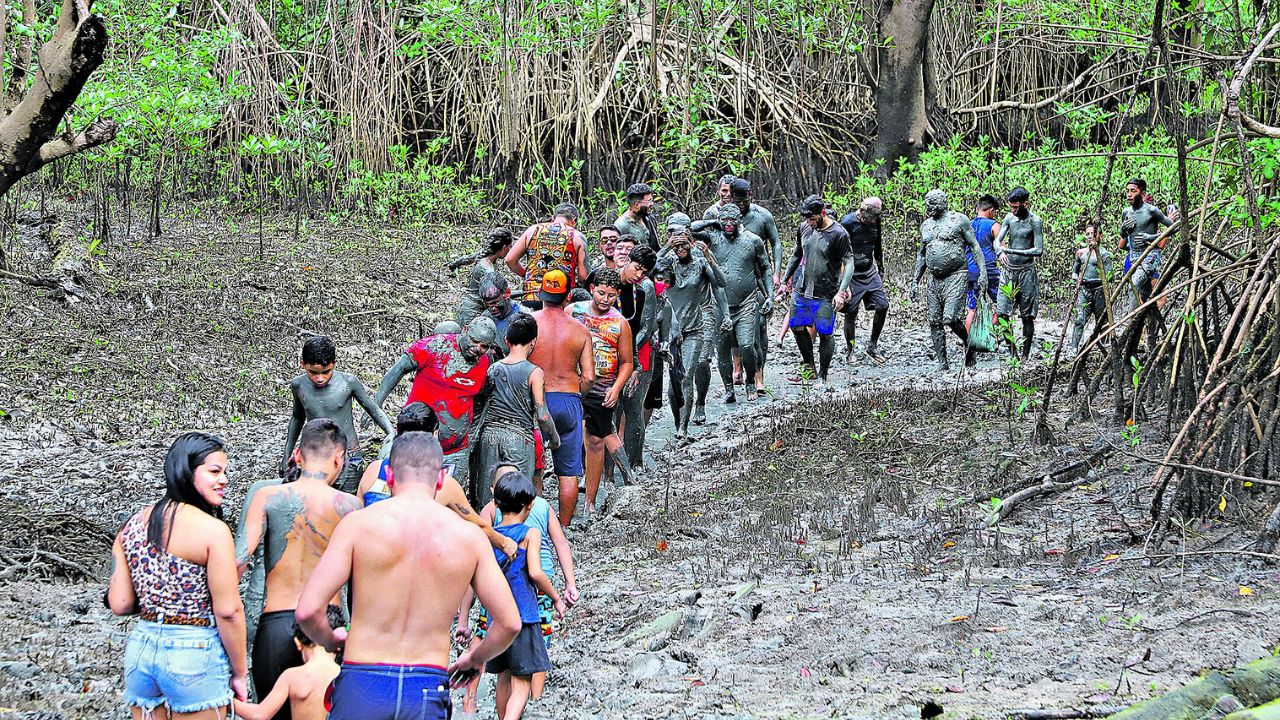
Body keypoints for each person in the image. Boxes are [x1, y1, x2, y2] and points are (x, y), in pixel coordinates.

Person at [295, 432, 521, 720]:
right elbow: (509, 623)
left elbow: (307, 610)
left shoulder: (357, 526)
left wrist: (329, 640)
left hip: (363, 680)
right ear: (440, 479)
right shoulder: (470, 538)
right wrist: (475, 658)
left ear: (389, 476)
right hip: (426, 686)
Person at [109, 432, 248, 716]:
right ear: (186, 471)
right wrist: (240, 672)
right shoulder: (213, 531)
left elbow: (119, 603)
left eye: (225, 471)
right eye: (214, 471)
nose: (224, 479)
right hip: (194, 651)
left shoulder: (131, 526)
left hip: (141, 649)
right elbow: (229, 611)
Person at [239, 419, 359, 718]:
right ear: (338, 458)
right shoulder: (351, 506)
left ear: (297, 456)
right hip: (326, 629)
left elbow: (239, 560)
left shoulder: (267, 497)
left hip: (276, 626)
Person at [462, 472, 566, 720]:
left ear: (496, 504)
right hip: (524, 617)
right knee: (522, 684)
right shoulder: (530, 534)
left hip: (497, 619)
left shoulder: (490, 537)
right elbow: (537, 572)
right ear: (529, 505)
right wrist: (555, 597)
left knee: (503, 677)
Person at [357, 402, 517, 558]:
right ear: (434, 435)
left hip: (370, 561)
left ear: (398, 431)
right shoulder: (444, 485)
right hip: (417, 568)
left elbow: (355, 515)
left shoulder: (374, 470)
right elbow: (478, 526)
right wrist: (504, 543)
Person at [374, 316, 497, 500]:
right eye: (474, 341)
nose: (478, 348)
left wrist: (474, 433)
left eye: (484, 346)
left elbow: (482, 398)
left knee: (449, 501)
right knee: (407, 497)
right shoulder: (435, 346)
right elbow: (399, 368)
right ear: (465, 330)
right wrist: (377, 404)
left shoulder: (485, 361)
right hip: (416, 442)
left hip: (456, 448)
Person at [280, 335, 393, 492]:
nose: (320, 378)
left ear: (334, 363)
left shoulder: (348, 382)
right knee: (316, 500)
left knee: (348, 501)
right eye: (313, 372)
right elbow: (297, 417)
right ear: (303, 364)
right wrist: (287, 454)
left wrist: (390, 431)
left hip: (349, 454)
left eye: (326, 372)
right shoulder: (299, 385)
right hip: (315, 455)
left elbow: (373, 408)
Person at [528, 269, 596, 526]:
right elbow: (589, 377)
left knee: (534, 467)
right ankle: (564, 527)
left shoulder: (529, 324)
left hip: (536, 400)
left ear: (540, 293)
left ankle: (537, 525)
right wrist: (578, 396)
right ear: (568, 296)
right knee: (568, 471)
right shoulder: (580, 330)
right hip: (568, 399)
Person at [474, 314, 561, 505]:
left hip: (489, 436)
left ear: (506, 340)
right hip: (519, 439)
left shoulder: (492, 369)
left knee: (487, 497)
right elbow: (542, 415)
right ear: (533, 341)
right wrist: (554, 439)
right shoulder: (534, 372)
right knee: (517, 498)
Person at [568, 268, 634, 519]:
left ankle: (590, 501)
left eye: (611, 295)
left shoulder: (620, 323)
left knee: (597, 440)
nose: (605, 299)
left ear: (618, 295)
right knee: (574, 437)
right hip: (573, 385)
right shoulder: (574, 311)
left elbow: (627, 361)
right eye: (602, 293)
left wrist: (616, 388)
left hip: (602, 389)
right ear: (592, 288)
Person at [692, 202, 773, 402]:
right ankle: (729, 388)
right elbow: (690, 229)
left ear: (739, 221)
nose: (728, 224)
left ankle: (750, 383)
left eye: (732, 220)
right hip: (720, 304)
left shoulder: (752, 240)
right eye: (725, 220)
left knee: (747, 345)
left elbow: (765, 268)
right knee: (723, 348)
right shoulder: (713, 238)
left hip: (747, 301)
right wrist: (713, 221)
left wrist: (770, 295)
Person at [657, 227, 729, 436]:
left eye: (684, 244)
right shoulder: (668, 264)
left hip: (695, 328)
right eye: (676, 245)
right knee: (674, 377)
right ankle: (678, 418)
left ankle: (684, 428)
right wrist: (666, 247)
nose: (680, 248)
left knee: (687, 375)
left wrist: (708, 256)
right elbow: (650, 269)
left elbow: (721, 282)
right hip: (671, 329)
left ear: (691, 243)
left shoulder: (700, 264)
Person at [595, 243, 658, 471]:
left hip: (634, 355)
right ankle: (607, 471)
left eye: (644, 272)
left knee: (633, 409)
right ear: (627, 261)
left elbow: (646, 326)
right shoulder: (606, 283)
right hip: (603, 357)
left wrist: (627, 350)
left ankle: (632, 465)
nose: (639, 275)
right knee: (610, 412)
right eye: (637, 268)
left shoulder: (643, 289)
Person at [911, 189, 988, 371]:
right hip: (934, 279)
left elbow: (974, 246)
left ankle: (969, 346)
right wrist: (915, 280)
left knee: (950, 318)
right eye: (927, 203)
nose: (929, 207)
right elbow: (922, 254)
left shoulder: (959, 220)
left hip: (956, 274)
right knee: (934, 320)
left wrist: (982, 273)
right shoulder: (926, 225)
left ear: (943, 203)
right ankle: (942, 362)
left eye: (933, 203)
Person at [783, 195, 854, 386]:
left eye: (812, 219)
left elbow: (848, 263)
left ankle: (823, 375)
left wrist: (842, 290)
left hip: (826, 291)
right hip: (802, 288)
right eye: (806, 219)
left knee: (825, 332)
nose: (809, 222)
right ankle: (809, 365)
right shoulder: (805, 228)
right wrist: (784, 281)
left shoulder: (839, 233)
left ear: (822, 213)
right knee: (796, 326)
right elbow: (797, 254)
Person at [232, 608, 344, 720]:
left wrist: (229, 702)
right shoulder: (343, 676)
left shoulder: (292, 676)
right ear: (339, 643)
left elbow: (259, 715)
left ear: (298, 643)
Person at [836, 197, 890, 366]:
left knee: (882, 305)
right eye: (871, 217)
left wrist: (880, 268)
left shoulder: (876, 221)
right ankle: (850, 351)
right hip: (851, 272)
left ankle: (872, 346)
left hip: (868, 268)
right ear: (863, 211)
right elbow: (838, 253)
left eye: (876, 217)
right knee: (851, 311)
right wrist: (843, 282)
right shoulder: (847, 222)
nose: (873, 220)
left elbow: (878, 244)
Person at [505, 204, 589, 309]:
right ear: (574, 221)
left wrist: (526, 274)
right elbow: (583, 276)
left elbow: (510, 259)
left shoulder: (532, 230)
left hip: (532, 296)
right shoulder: (577, 236)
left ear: (553, 218)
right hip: (561, 299)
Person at [994, 187, 1045, 359]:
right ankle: (1012, 351)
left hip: (1026, 272)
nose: (1013, 210)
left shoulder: (1035, 221)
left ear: (1026, 204)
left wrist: (1014, 251)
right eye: (1011, 207)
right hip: (1008, 272)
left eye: (1017, 207)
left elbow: (1038, 249)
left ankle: (1025, 355)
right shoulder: (1009, 218)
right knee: (1002, 313)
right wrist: (1000, 252)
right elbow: (997, 241)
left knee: (1027, 316)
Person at [1119, 177, 1174, 302]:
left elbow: (1174, 227)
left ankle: (1132, 320)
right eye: (1127, 191)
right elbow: (1123, 238)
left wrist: (1151, 237)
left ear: (1142, 193)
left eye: (1133, 191)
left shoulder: (1152, 211)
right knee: (1145, 293)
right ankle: (1154, 320)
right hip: (1134, 256)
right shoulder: (1126, 212)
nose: (1129, 194)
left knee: (1134, 285)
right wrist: (1123, 229)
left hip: (1149, 255)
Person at [456, 272, 532, 358]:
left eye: (495, 302)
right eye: (487, 304)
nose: (492, 308)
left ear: (507, 293)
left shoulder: (525, 318)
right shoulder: (486, 318)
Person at [451, 227, 515, 324]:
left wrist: (454, 264)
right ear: (503, 248)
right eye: (510, 247)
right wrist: (524, 292)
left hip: (468, 306)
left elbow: (467, 258)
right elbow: (502, 295)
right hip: (472, 311)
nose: (510, 250)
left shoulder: (485, 257)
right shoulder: (488, 270)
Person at [1071, 221, 1113, 351]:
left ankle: (1104, 345)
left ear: (1100, 236)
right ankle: (1074, 346)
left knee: (1102, 320)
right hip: (1084, 289)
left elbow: (1109, 275)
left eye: (1093, 234)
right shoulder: (1081, 253)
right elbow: (1075, 271)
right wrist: (1076, 281)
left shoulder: (1104, 254)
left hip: (1099, 290)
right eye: (1087, 234)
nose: (1090, 236)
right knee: (1080, 319)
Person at [966, 195, 1002, 331]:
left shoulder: (967, 225)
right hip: (990, 270)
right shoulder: (994, 225)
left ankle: (967, 343)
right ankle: (992, 330)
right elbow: (1001, 248)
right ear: (991, 210)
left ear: (977, 208)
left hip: (971, 271)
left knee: (971, 309)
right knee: (1003, 303)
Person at [614, 183, 660, 251]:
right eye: (649, 201)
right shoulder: (621, 226)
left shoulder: (649, 218)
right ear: (637, 204)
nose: (652, 204)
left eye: (652, 200)